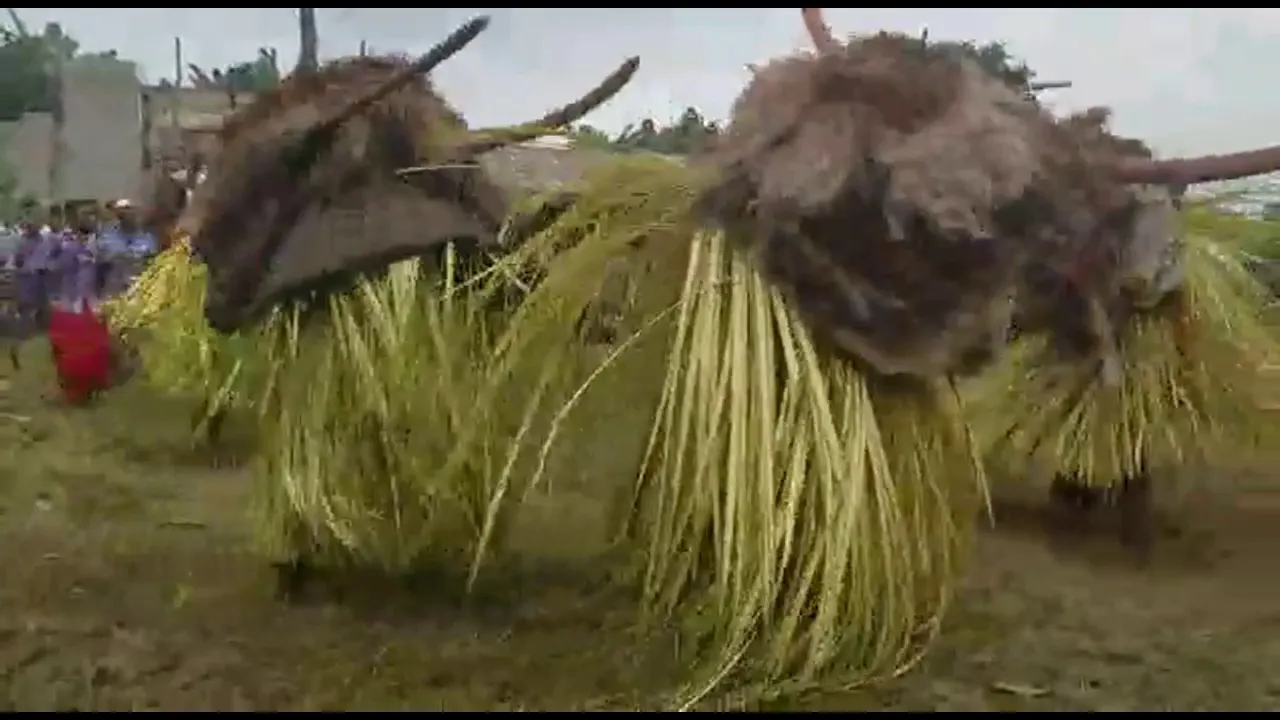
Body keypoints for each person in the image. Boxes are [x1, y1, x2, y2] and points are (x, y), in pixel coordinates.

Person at [46, 227, 113, 404]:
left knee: (95, 346)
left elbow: (104, 274)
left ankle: (94, 387)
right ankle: (67, 386)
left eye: (88, 237)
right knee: (68, 346)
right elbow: (55, 270)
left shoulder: (101, 249)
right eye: (83, 236)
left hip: (91, 302)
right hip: (71, 302)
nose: (86, 240)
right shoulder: (67, 249)